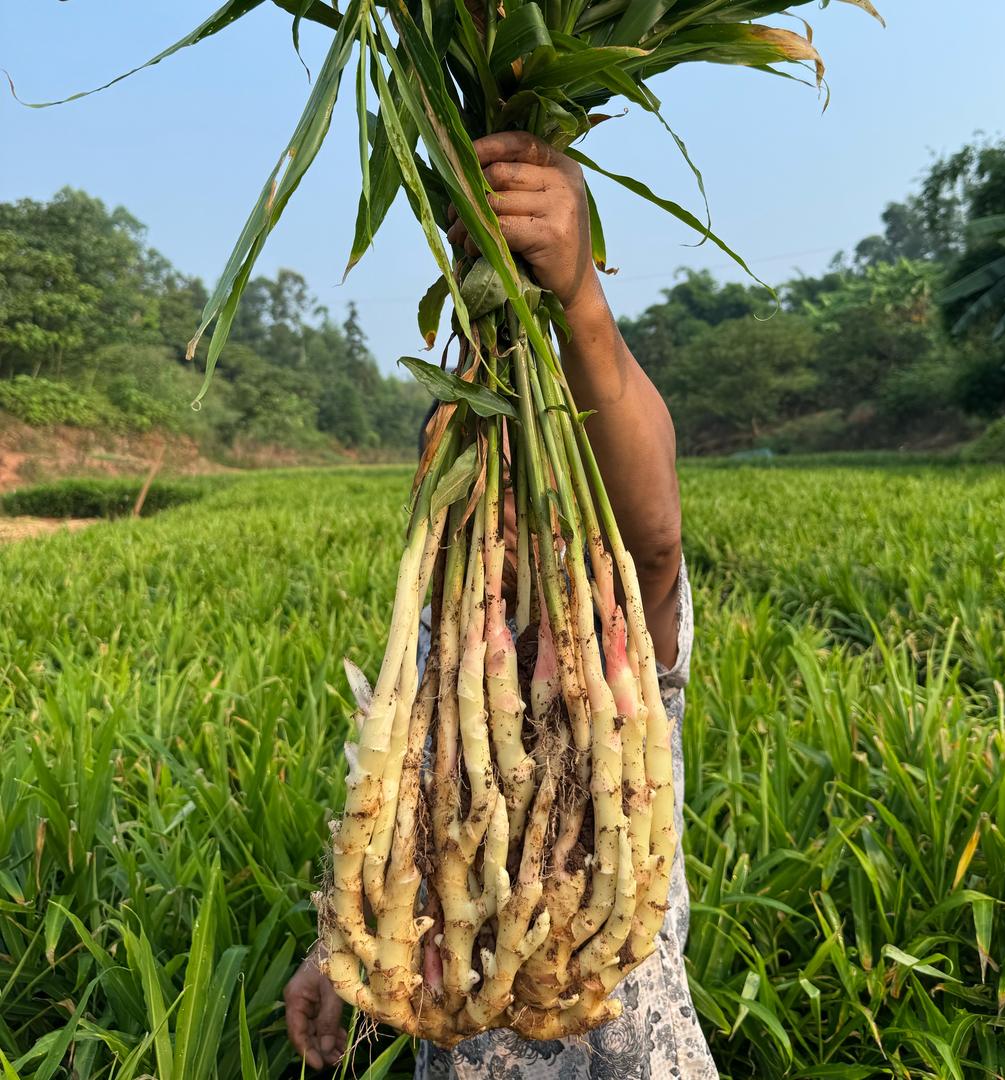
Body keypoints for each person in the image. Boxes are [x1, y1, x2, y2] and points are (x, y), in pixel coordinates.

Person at [285, 132, 717, 1079]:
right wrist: (343, 951)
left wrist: (580, 300)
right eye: (479, 487)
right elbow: (403, 825)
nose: (504, 513)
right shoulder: (436, 657)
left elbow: (655, 541)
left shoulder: (613, 631)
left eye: (521, 484)